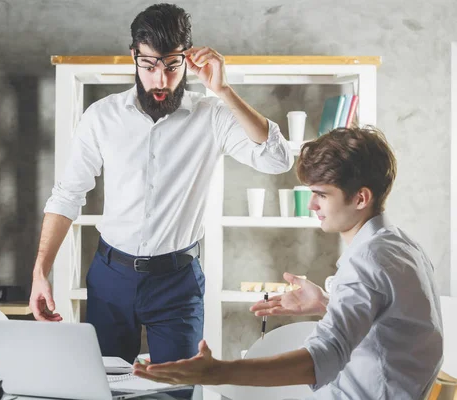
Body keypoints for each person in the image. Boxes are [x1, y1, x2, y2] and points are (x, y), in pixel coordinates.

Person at [29, 3, 293, 364]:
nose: (160, 80)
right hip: (110, 278)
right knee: (103, 385)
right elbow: (67, 195)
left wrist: (224, 90)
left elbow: (277, 159)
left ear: (188, 59)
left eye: (171, 66)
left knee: (177, 390)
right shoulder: (102, 117)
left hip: (177, 283)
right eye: (149, 65)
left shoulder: (212, 116)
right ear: (133, 56)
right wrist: (40, 272)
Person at [134, 126, 444, 399]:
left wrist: (215, 373)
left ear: (361, 198)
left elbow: (323, 358)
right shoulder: (401, 245)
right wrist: (326, 302)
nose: (311, 205)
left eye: (321, 194)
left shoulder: (368, 260)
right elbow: (391, 321)